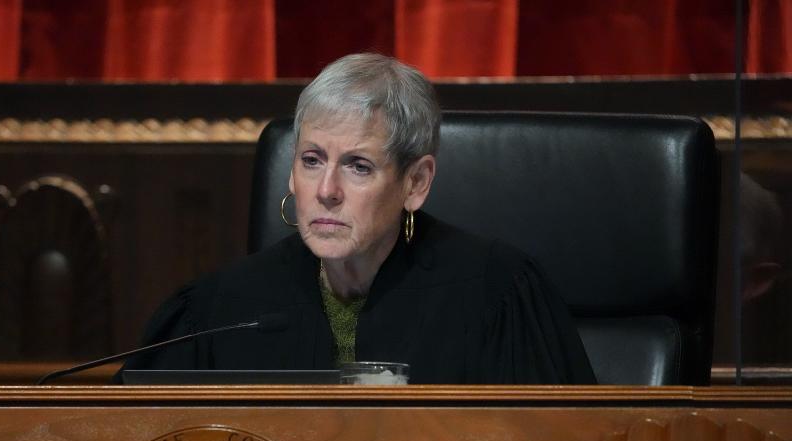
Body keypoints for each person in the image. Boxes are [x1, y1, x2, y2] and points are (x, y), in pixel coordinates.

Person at [118, 53, 594, 384]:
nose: (326, 191)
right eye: (311, 160)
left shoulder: (497, 295)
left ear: (416, 183)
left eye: (358, 166)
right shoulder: (217, 311)